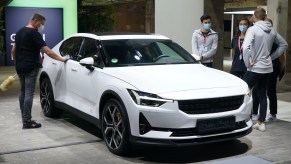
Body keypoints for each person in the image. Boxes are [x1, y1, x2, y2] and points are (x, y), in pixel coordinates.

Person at [11, 13, 68, 129]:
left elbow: (13, 50)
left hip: (20, 66)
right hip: (31, 67)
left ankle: (25, 117)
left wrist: (17, 63)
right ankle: (27, 121)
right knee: (29, 93)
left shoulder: (20, 31)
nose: (42, 26)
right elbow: (48, 51)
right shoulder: (34, 33)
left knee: (22, 92)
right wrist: (62, 59)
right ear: (35, 21)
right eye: (41, 24)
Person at [242, 8, 288, 132]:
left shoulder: (252, 29)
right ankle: (261, 122)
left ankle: (241, 119)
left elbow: (245, 47)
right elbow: (284, 44)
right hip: (267, 68)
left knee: (242, 91)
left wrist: (248, 63)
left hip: (255, 67)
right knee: (262, 94)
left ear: (254, 17)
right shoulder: (272, 30)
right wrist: (271, 57)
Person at [252, 17, 288, 123]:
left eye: (266, 23)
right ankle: (254, 113)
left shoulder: (275, 38)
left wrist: (280, 69)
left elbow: (282, 56)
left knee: (270, 90)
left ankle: (273, 114)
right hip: (260, 67)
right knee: (256, 90)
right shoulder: (260, 37)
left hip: (272, 68)